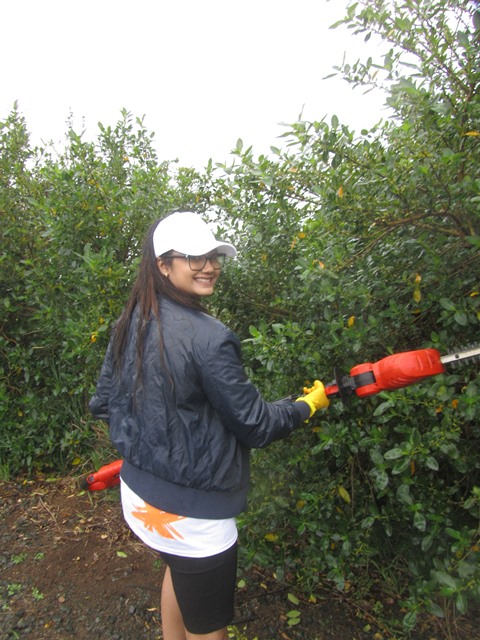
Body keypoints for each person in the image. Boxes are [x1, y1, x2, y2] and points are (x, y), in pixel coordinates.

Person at [89, 211, 329, 640]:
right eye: (195, 257)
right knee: (208, 626)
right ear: (164, 265)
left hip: (140, 499)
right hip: (193, 518)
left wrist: (158, 444)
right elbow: (256, 426)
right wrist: (303, 406)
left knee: (178, 571)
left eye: (214, 256)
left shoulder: (132, 319)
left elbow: (105, 403)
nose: (210, 265)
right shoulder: (210, 338)